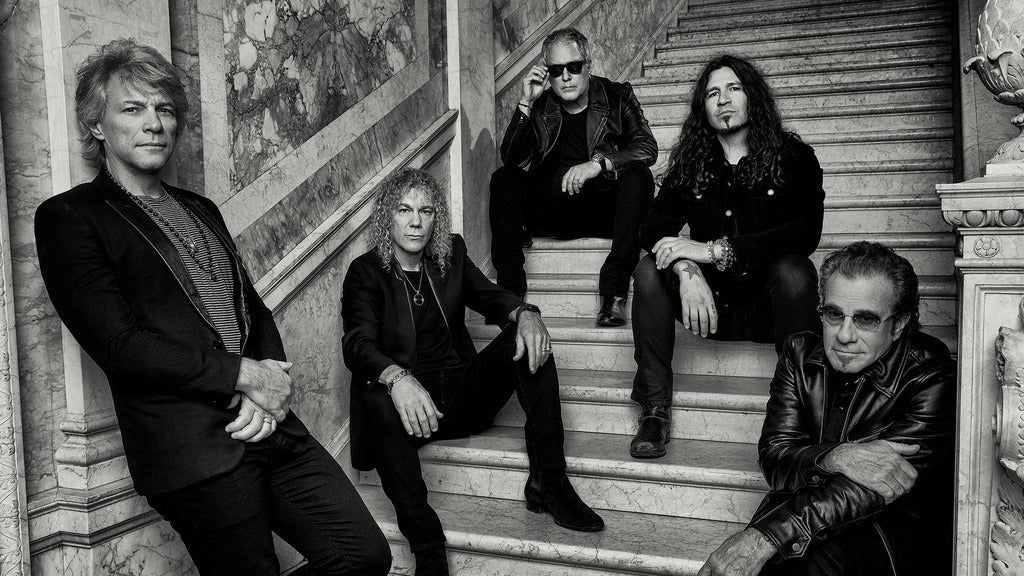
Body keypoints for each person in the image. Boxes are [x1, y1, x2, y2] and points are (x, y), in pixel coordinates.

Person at [34, 39, 390, 576]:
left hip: (269, 426)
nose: (154, 123)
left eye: (165, 109)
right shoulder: (71, 217)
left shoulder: (200, 208)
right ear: (96, 125)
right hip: (192, 451)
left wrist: (269, 385)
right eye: (133, 109)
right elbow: (122, 347)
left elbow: (251, 307)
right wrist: (243, 376)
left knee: (364, 555)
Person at [342, 167, 604, 576]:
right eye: (404, 210)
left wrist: (525, 313)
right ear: (387, 217)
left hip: (460, 395)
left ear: (436, 218)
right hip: (409, 410)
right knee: (377, 394)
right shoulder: (366, 272)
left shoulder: (451, 256)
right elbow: (358, 344)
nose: (415, 222)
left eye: (426, 211)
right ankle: (427, 544)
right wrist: (397, 378)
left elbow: (494, 298)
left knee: (527, 337)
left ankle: (549, 480)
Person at [698, 242, 955, 576]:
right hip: (802, 515)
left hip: (890, 530)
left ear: (898, 324)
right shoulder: (799, 355)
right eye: (834, 314)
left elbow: (879, 486)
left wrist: (766, 537)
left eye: (865, 319)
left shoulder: (931, 374)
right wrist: (837, 456)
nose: (844, 335)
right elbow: (775, 459)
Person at [629, 54, 824, 458]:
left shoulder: (794, 157)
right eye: (712, 93)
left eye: (734, 88)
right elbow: (652, 227)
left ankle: (799, 406)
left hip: (771, 308)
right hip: (709, 308)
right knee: (649, 268)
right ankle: (654, 410)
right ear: (703, 107)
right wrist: (686, 267)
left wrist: (714, 250)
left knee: (796, 270)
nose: (723, 100)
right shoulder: (692, 163)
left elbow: (804, 233)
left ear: (752, 96)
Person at [490, 27, 657, 327]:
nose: (565, 77)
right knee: (504, 178)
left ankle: (614, 293)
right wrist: (526, 103)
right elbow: (512, 159)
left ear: (588, 65)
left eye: (574, 67)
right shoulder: (542, 104)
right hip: (555, 211)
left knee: (640, 176)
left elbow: (647, 147)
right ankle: (509, 298)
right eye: (556, 70)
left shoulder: (617, 96)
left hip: (605, 209)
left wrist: (598, 164)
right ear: (548, 74)